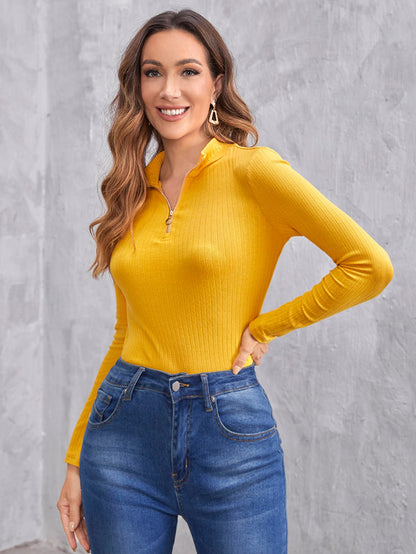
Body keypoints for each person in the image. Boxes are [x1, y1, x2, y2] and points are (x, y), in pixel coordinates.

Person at [56, 8, 393, 554]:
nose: (169, 89)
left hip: (229, 434)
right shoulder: (131, 189)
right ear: (138, 86)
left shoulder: (253, 171)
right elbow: (125, 335)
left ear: (216, 84)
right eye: (152, 72)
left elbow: (369, 265)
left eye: (188, 71)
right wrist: (76, 460)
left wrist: (267, 327)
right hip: (122, 434)